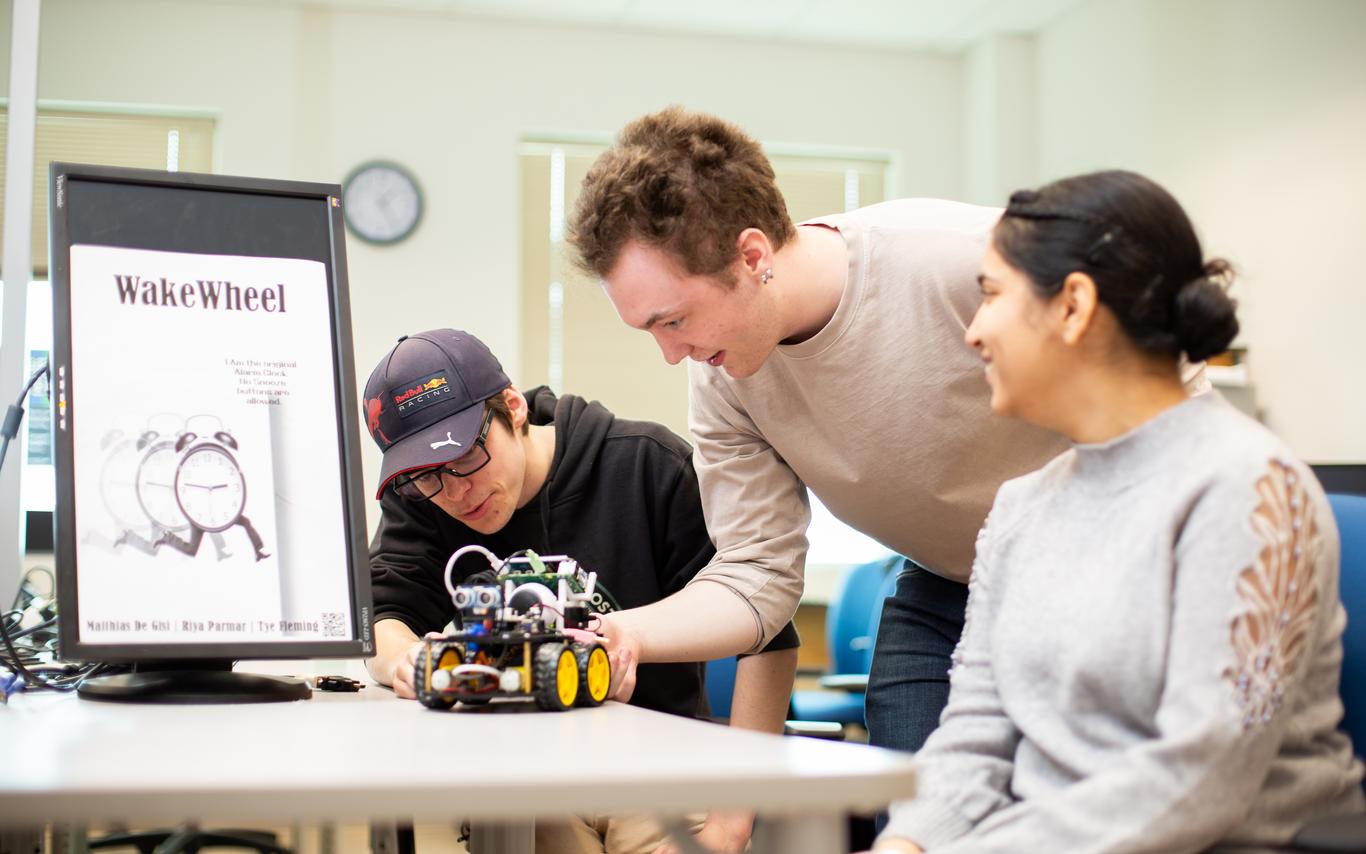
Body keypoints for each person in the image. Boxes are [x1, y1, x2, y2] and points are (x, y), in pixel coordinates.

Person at [565, 107, 1132, 760]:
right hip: (951, 588)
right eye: (651, 331)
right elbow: (758, 579)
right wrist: (625, 634)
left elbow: (1154, 380)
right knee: (914, 808)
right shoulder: (722, 376)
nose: (671, 353)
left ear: (752, 256)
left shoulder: (960, 261)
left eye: (675, 320)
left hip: (1103, 573)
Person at [866, 170, 1365, 852]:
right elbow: (972, 740)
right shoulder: (1021, 508)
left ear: (1072, 305)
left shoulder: (1249, 487)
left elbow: (1200, 781)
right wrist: (908, 844)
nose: (974, 332)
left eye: (990, 297)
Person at [362, 328, 798, 854]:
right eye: (426, 476)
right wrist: (403, 659)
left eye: (463, 460)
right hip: (519, 777)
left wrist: (733, 822)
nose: (454, 493)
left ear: (512, 408)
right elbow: (381, 616)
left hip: (661, 772)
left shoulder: (648, 467)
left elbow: (769, 635)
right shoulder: (425, 498)